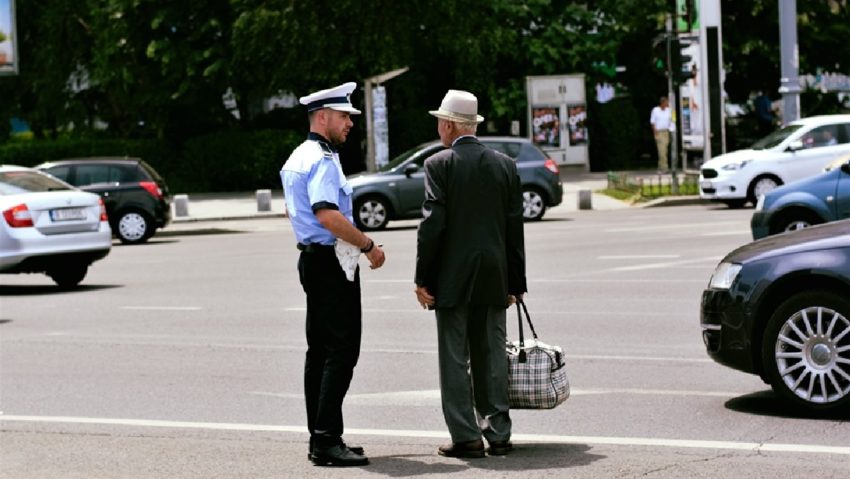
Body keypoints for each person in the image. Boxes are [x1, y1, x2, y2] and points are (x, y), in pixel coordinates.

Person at [414, 89, 528, 459]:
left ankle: (465, 436)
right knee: (491, 354)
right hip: (495, 276)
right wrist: (516, 283)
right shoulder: (504, 164)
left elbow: (433, 225)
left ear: (448, 125)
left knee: (454, 358)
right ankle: (499, 433)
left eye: (439, 123)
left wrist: (422, 279)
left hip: (452, 278)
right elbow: (514, 228)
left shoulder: (439, 164)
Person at [280, 81, 386, 467]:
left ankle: (322, 436)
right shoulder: (322, 159)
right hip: (330, 261)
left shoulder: (299, 157)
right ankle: (326, 440)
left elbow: (296, 211)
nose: (350, 124)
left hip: (313, 260)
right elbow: (327, 215)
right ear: (322, 117)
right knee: (342, 351)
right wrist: (368, 246)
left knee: (320, 351)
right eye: (344, 117)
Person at [650, 96, 673, 173]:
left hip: (666, 132)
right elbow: (652, 122)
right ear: (662, 103)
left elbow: (672, 119)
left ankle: (660, 168)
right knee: (661, 151)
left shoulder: (669, 110)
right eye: (666, 102)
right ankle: (664, 168)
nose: (667, 104)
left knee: (664, 151)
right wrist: (655, 132)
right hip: (659, 132)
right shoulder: (655, 110)